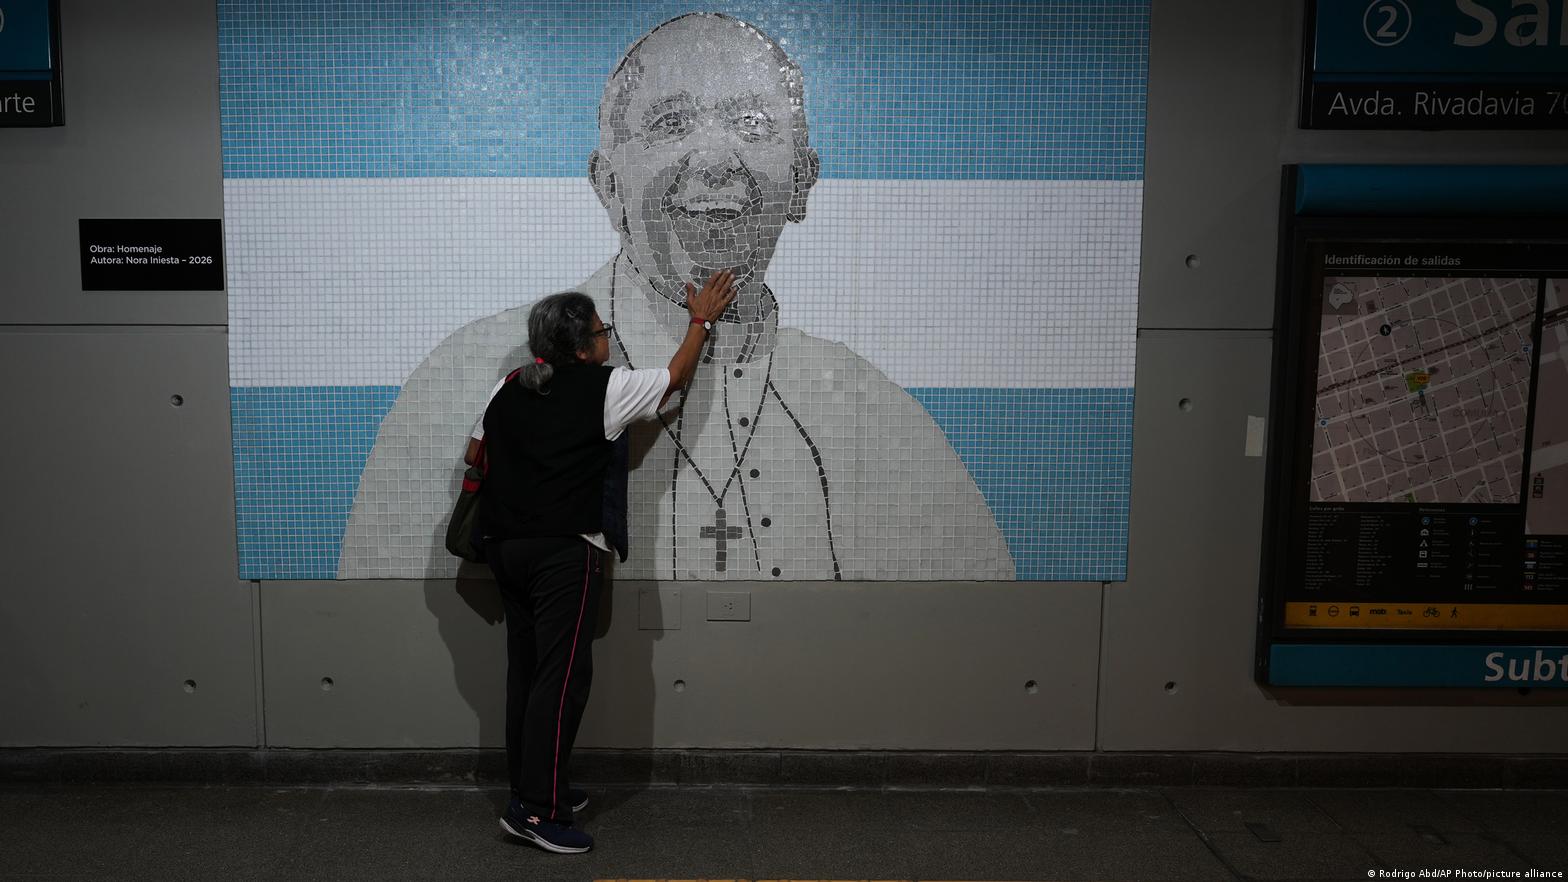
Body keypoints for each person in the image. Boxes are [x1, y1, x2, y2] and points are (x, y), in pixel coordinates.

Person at [338, 12, 1014, 581]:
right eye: (670, 124)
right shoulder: (468, 371)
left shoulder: (881, 416)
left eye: (753, 123)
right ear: (607, 183)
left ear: (804, 180)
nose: (716, 158)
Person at [484, 273, 736, 854]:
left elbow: (485, 452)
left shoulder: (506, 390)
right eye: (602, 332)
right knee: (563, 679)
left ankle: (531, 791)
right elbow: (674, 378)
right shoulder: (604, 387)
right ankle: (539, 816)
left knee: (528, 675)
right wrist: (699, 320)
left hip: (505, 549)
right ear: (580, 348)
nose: (608, 341)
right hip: (561, 554)